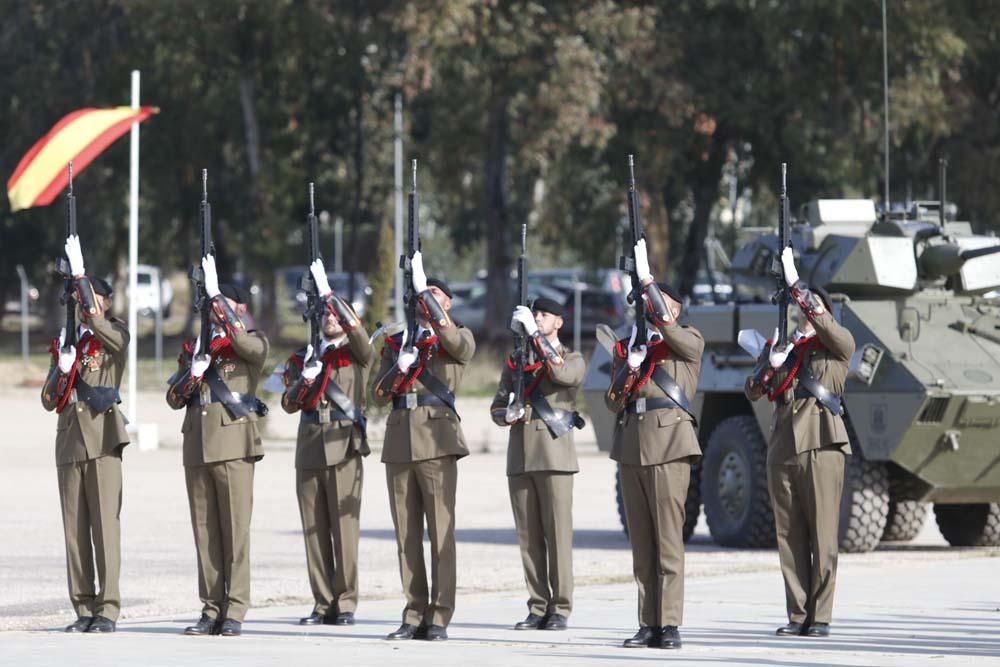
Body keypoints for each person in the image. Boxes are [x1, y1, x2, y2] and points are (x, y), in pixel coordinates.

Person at [745, 247, 854, 638]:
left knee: (823, 534)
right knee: (789, 536)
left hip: (822, 444)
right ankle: (798, 614)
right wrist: (769, 365)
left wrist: (796, 283)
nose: (807, 314)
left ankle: (820, 616)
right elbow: (754, 390)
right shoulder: (786, 349)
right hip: (783, 447)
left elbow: (826, 325)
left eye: (814, 309)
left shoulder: (837, 346)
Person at [371, 251, 475, 642]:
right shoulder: (399, 342)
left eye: (433, 295)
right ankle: (414, 611)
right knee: (407, 535)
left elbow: (456, 345)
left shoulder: (458, 335)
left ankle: (440, 615)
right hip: (399, 439)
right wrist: (399, 366)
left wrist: (422, 286)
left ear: (446, 303)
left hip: (437, 438)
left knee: (440, 531)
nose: (425, 301)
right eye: (421, 295)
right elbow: (379, 394)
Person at [605, 240, 703, 650]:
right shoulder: (633, 347)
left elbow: (673, 331)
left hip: (669, 445)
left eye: (662, 303)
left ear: (674, 309)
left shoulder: (687, 341)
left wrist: (647, 280)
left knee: (667, 541)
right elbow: (613, 401)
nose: (652, 308)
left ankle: (671, 623)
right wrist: (627, 369)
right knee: (642, 544)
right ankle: (648, 622)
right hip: (631, 446)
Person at [166, 254, 269, 637]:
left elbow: (244, 342)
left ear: (239, 308)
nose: (218, 310)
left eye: (226, 303)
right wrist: (192, 373)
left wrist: (215, 295)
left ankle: (235, 609)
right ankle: (211, 607)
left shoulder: (252, 342)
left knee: (235, 532)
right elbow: (175, 399)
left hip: (233, 445)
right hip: (197, 445)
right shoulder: (197, 348)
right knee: (205, 532)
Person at [41, 234, 129, 634]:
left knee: (104, 529)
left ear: (105, 301)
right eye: (80, 296)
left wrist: (80, 276)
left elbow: (104, 329)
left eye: (92, 296)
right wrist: (62, 366)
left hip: (103, 439)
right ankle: (83, 606)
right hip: (70, 440)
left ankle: (107, 608)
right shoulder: (69, 340)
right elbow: (48, 399)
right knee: (75, 532)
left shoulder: (114, 334)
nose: (84, 302)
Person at [281, 258, 373, 627]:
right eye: (325, 315)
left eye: (335, 316)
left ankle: (346, 602)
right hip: (309, 445)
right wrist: (305, 379)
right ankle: (322, 602)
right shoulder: (304, 356)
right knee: (314, 529)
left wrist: (329, 294)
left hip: (343, 443)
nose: (330, 319)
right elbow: (288, 404)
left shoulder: (355, 355)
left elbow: (362, 337)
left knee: (344, 531)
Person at [490, 297, 584, 631]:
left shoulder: (572, 357)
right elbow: (497, 405)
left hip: (554, 453)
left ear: (559, 322)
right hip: (521, 455)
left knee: (557, 535)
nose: (539, 318)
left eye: (544, 315)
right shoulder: (518, 360)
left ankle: (560, 607)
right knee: (529, 537)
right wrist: (507, 414)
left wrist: (534, 334)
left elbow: (560, 372)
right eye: (536, 315)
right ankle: (538, 604)